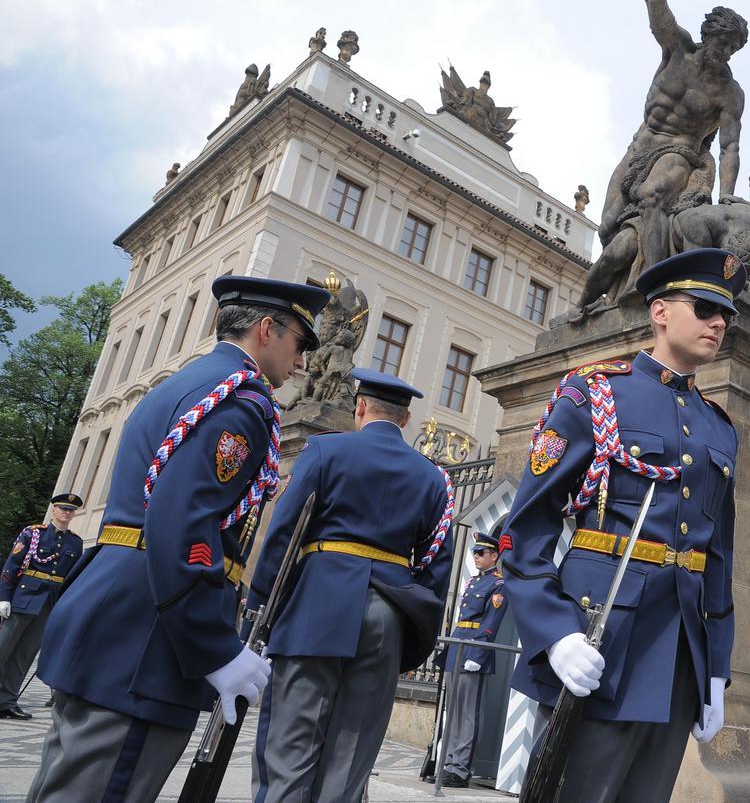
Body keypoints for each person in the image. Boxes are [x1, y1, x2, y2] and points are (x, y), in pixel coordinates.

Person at [26, 275, 330, 802]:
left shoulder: (193, 383)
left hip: (121, 613)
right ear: (266, 329)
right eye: (300, 344)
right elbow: (182, 526)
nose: (302, 362)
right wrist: (213, 646)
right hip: (148, 633)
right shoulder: (239, 403)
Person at [501, 248, 746, 800]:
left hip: (681, 648)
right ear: (660, 311)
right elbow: (528, 529)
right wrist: (554, 631)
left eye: (727, 315)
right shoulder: (595, 392)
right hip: (601, 635)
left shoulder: (719, 427)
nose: (719, 323)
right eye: (705, 306)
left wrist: (715, 668)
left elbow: (718, 558)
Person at [250, 367, 454, 801]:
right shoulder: (434, 477)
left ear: (359, 408)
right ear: (404, 420)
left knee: (289, 744)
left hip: (316, 605)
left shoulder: (324, 450)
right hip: (388, 618)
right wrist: (410, 640)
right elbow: (437, 569)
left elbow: (282, 533)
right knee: (351, 754)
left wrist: (262, 606)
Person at [573, 0, 749, 317]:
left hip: (680, 153)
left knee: (653, 196)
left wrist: (728, 194)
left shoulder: (729, 93)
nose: (727, 52)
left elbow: (729, 146)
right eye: (724, 42)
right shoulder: (677, 49)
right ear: (709, 35)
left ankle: (654, 284)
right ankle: (591, 303)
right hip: (639, 147)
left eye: (734, 47)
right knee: (608, 230)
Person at [0, 494, 84, 719]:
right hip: (23, 598)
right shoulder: (33, 533)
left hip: (49, 604)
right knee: (2, 649)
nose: (67, 513)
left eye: (71, 510)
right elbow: (12, 565)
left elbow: (72, 577)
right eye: (63, 509)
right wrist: (4, 597)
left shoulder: (75, 543)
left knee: (24, 656)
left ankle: (7, 701)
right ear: (54, 510)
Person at [438, 531, 508, 789]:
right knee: (453, 711)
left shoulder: (498, 585)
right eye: (474, 553)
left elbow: (491, 621)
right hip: (458, 647)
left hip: (473, 651)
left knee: (469, 714)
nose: (476, 557)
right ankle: (448, 763)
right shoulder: (471, 583)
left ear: (494, 555)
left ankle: (460, 768)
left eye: (481, 553)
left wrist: (478, 653)